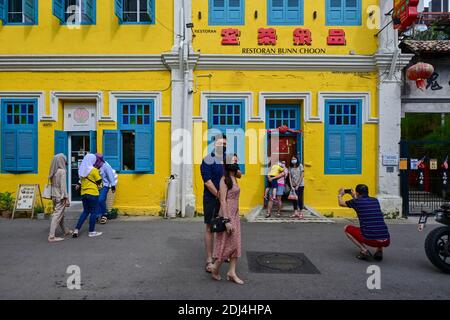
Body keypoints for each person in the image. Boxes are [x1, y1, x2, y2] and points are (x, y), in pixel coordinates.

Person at [210, 160, 244, 285]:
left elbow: (240, 173)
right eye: (234, 161)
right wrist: (226, 220)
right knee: (224, 244)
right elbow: (223, 201)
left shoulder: (235, 177)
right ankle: (215, 267)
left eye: (237, 160)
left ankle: (231, 272)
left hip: (235, 214)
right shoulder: (224, 180)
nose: (236, 162)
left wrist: (236, 167)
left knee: (236, 244)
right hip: (227, 215)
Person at [338, 184, 390, 261]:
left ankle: (364, 251)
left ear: (357, 193)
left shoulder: (356, 202)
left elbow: (341, 203)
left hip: (371, 240)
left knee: (346, 228)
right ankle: (379, 250)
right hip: (386, 240)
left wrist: (340, 195)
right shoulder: (375, 200)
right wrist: (354, 196)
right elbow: (360, 203)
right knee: (376, 224)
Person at [201, 134, 227, 273]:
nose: (222, 146)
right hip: (211, 199)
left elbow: (235, 174)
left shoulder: (227, 159)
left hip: (226, 200)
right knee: (210, 228)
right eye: (220, 143)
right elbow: (207, 181)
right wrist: (219, 194)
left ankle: (221, 254)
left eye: (224, 144)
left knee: (224, 227)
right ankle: (209, 259)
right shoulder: (207, 160)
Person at [72, 154, 103, 238]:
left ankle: (76, 229)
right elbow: (99, 181)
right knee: (93, 212)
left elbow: (80, 181)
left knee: (85, 212)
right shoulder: (93, 170)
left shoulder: (81, 171)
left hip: (83, 194)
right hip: (93, 193)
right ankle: (91, 231)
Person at [48, 153, 73, 243]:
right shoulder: (62, 171)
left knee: (60, 214)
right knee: (57, 215)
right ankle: (51, 236)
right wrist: (65, 197)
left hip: (54, 195)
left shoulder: (53, 171)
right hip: (60, 196)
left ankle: (65, 230)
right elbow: (63, 186)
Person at [94, 153, 117, 224]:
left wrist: (113, 186)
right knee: (96, 200)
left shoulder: (105, 166)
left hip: (104, 186)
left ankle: (104, 214)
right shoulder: (93, 166)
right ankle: (98, 215)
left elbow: (111, 176)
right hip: (95, 186)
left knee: (101, 199)